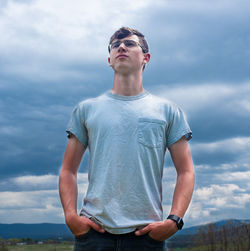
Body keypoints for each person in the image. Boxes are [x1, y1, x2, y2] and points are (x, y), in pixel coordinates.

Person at [59, 27, 195, 251]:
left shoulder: (168, 111)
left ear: (145, 58)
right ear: (109, 60)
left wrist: (175, 221)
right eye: (115, 45)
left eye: (130, 44)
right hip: (93, 233)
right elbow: (68, 170)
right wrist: (71, 217)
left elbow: (186, 171)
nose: (121, 47)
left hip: (147, 235)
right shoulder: (86, 110)